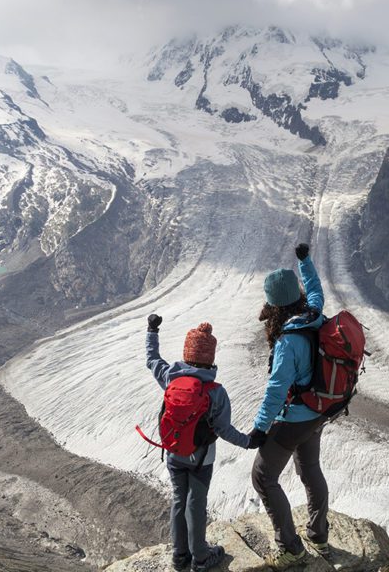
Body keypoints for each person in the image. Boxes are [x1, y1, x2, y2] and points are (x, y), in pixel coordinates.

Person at [145, 314, 255, 572]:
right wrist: (249, 442)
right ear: (211, 358)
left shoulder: (171, 377)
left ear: (186, 353)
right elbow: (224, 430)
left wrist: (152, 330)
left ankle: (179, 556)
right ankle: (201, 558)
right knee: (196, 504)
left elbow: (151, 358)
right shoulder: (216, 392)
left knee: (178, 500)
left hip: (173, 453)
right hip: (201, 459)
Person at [248, 243, 330, 568]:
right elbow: (315, 287)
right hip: (318, 412)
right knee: (310, 469)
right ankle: (319, 535)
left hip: (295, 419)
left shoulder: (287, 341)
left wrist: (259, 427)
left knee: (263, 478)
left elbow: (276, 390)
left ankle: (290, 547)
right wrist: (305, 261)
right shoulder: (314, 312)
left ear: (275, 305)